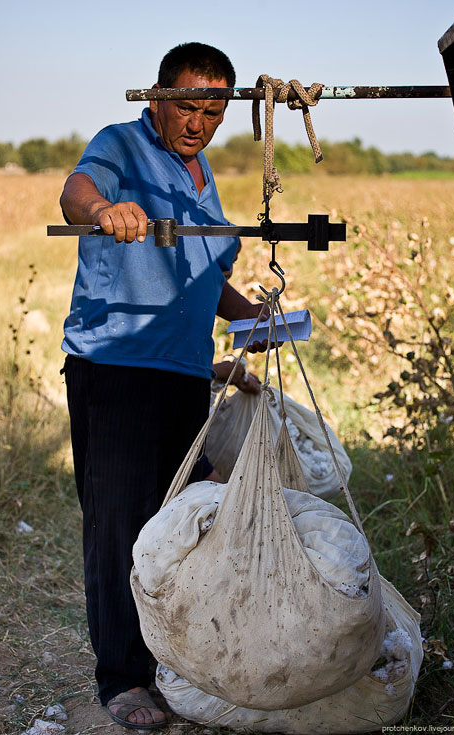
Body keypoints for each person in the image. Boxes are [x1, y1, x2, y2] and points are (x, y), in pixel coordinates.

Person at [59, 42, 267, 729]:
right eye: (186, 106)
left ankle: (175, 659)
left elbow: (205, 280)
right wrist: (103, 212)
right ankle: (121, 678)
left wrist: (255, 315)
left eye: (213, 111)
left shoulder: (203, 178)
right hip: (115, 367)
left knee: (180, 525)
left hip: (184, 377)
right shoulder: (121, 144)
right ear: (156, 96)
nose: (197, 122)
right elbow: (78, 190)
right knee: (118, 524)